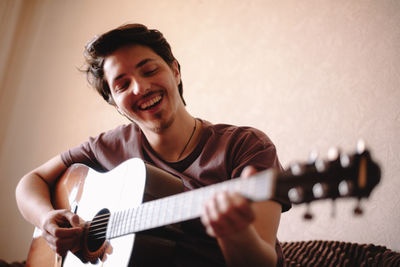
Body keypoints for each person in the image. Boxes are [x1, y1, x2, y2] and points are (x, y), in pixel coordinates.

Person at [15, 23, 290, 267]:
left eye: (149, 70)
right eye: (122, 85)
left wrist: (236, 233)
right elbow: (31, 181)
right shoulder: (110, 146)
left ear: (175, 71)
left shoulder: (245, 147)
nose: (140, 88)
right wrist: (47, 219)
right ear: (115, 103)